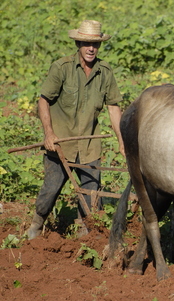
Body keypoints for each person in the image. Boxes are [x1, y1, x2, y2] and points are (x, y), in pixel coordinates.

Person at [26, 20, 125, 239]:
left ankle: (84, 235)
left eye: (95, 45)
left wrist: (121, 141)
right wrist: (49, 133)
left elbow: (113, 107)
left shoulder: (105, 72)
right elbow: (44, 100)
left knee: (91, 196)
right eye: (87, 44)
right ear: (78, 43)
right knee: (50, 190)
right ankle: (36, 225)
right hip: (61, 144)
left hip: (90, 146)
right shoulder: (62, 68)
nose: (91, 49)